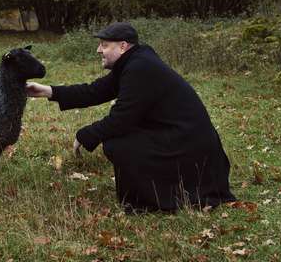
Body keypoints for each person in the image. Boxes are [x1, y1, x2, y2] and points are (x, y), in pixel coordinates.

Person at [26, 22, 236, 213]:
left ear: (123, 46)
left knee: (118, 144)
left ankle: (156, 200)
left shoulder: (140, 67)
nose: (99, 50)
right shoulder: (134, 63)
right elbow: (95, 91)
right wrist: (47, 91)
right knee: (118, 140)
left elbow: (122, 119)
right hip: (181, 136)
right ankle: (145, 195)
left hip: (190, 144)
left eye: (105, 45)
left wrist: (85, 135)